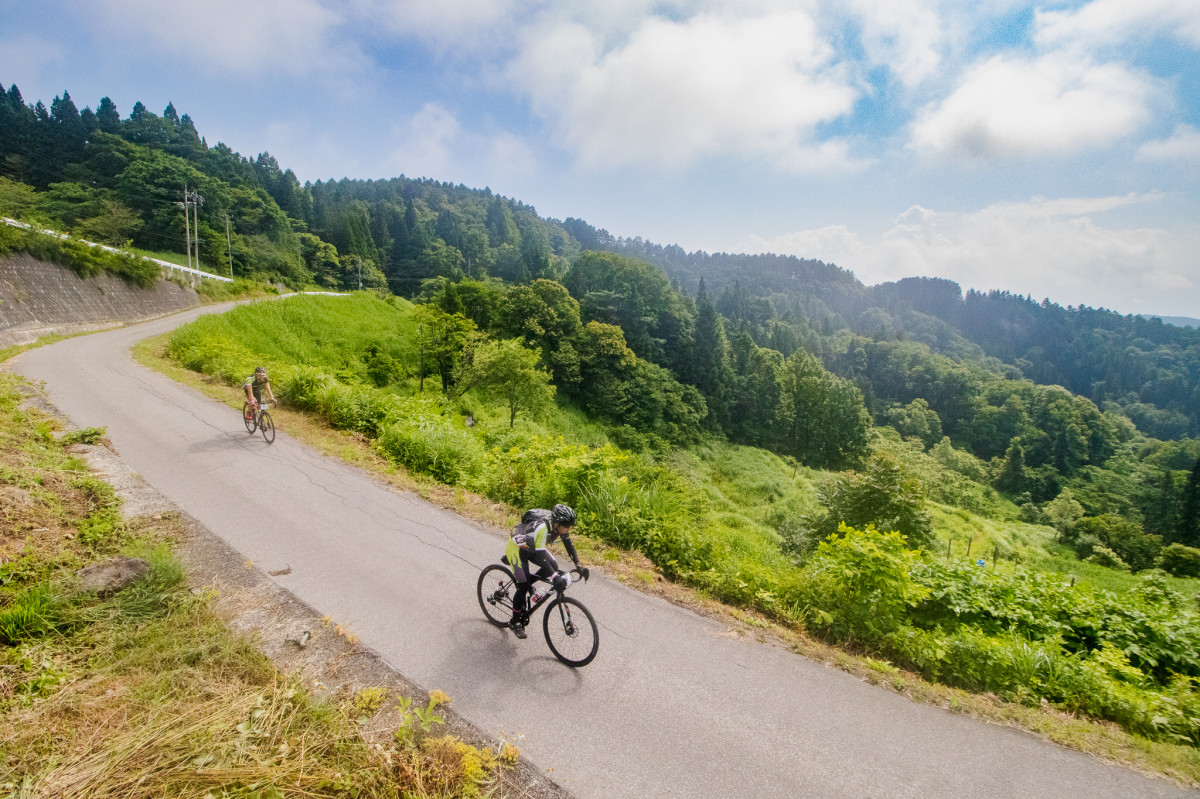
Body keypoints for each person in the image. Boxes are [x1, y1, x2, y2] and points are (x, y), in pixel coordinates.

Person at [505, 503, 588, 639]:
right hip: (517, 548)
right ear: (557, 524)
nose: (569, 528)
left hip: (532, 547)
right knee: (523, 586)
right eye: (567, 526)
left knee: (553, 568)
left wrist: (579, 565)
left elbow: (568, 543)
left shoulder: (558, 527)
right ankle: (514, 622)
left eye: (570, 526)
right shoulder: (543, 529)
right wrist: (555, 577)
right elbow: (541, 557)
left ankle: (527, 584)